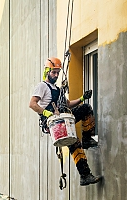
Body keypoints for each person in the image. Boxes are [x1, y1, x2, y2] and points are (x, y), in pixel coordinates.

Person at [29, 57, 102, 186]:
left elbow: (68, 104)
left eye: (58, 72)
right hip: (54, 122)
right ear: (47, 71)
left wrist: (82, 98)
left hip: (63, 118)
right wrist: (45, 112)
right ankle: (85, 175)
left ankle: (87, 140)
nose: (56, 75)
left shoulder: (57, 89)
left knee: (86, 108)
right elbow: (32, 104)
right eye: (53, 72)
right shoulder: (42, 86)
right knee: (73, 142)